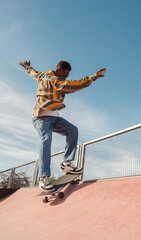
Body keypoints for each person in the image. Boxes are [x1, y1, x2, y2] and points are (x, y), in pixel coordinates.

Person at [20, 60, 106, 192]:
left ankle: (67, 163)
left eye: (67, 76)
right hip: (41, 117)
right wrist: (92, 78)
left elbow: (33, 73)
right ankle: (44, 177)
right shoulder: (56, 81)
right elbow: (73, 85)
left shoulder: (42, 75)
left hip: (54, 118)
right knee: (46, 140)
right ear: (58, 70)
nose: (65, 78)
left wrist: (27, 67)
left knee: (72, 130)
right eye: (64, 75)